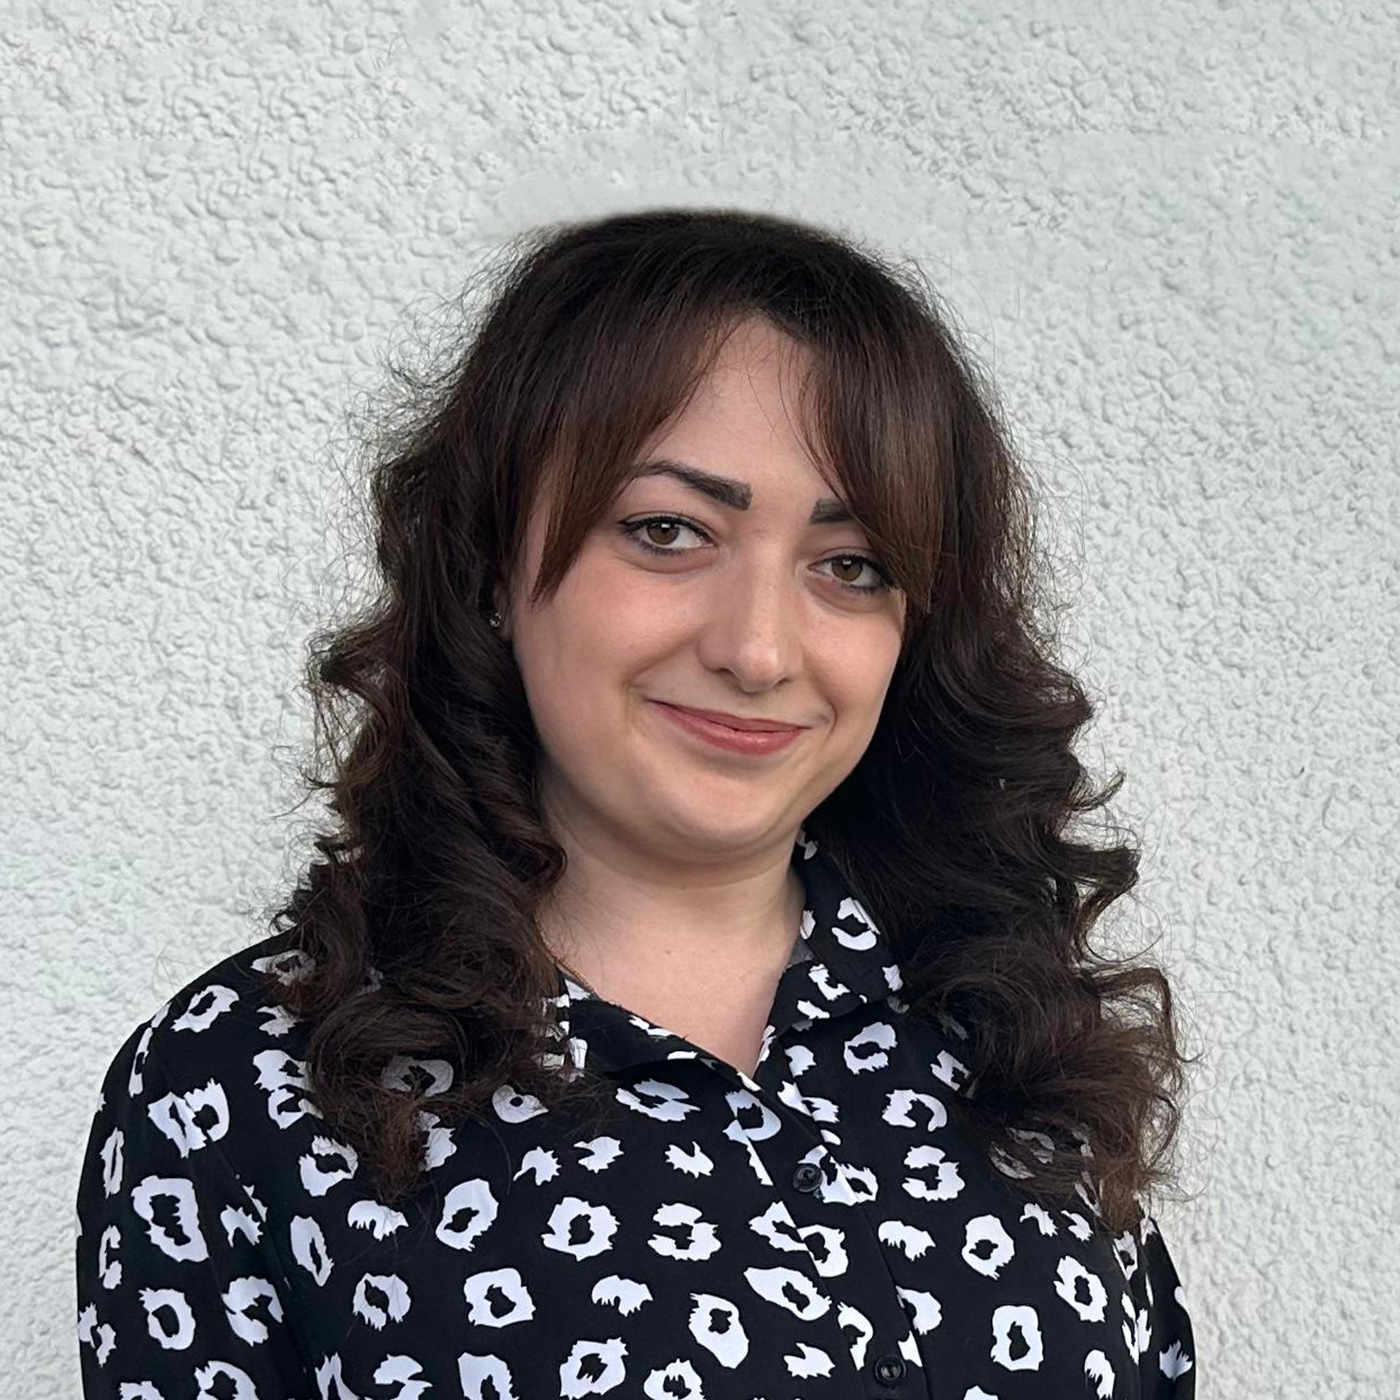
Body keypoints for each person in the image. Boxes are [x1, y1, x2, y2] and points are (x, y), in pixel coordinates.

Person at [75, 208, 1198, 1397]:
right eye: (667, 531)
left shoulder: (1010, 1034)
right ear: (490, 564)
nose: (757, 649)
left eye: (851, 564)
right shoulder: (245, 1083)